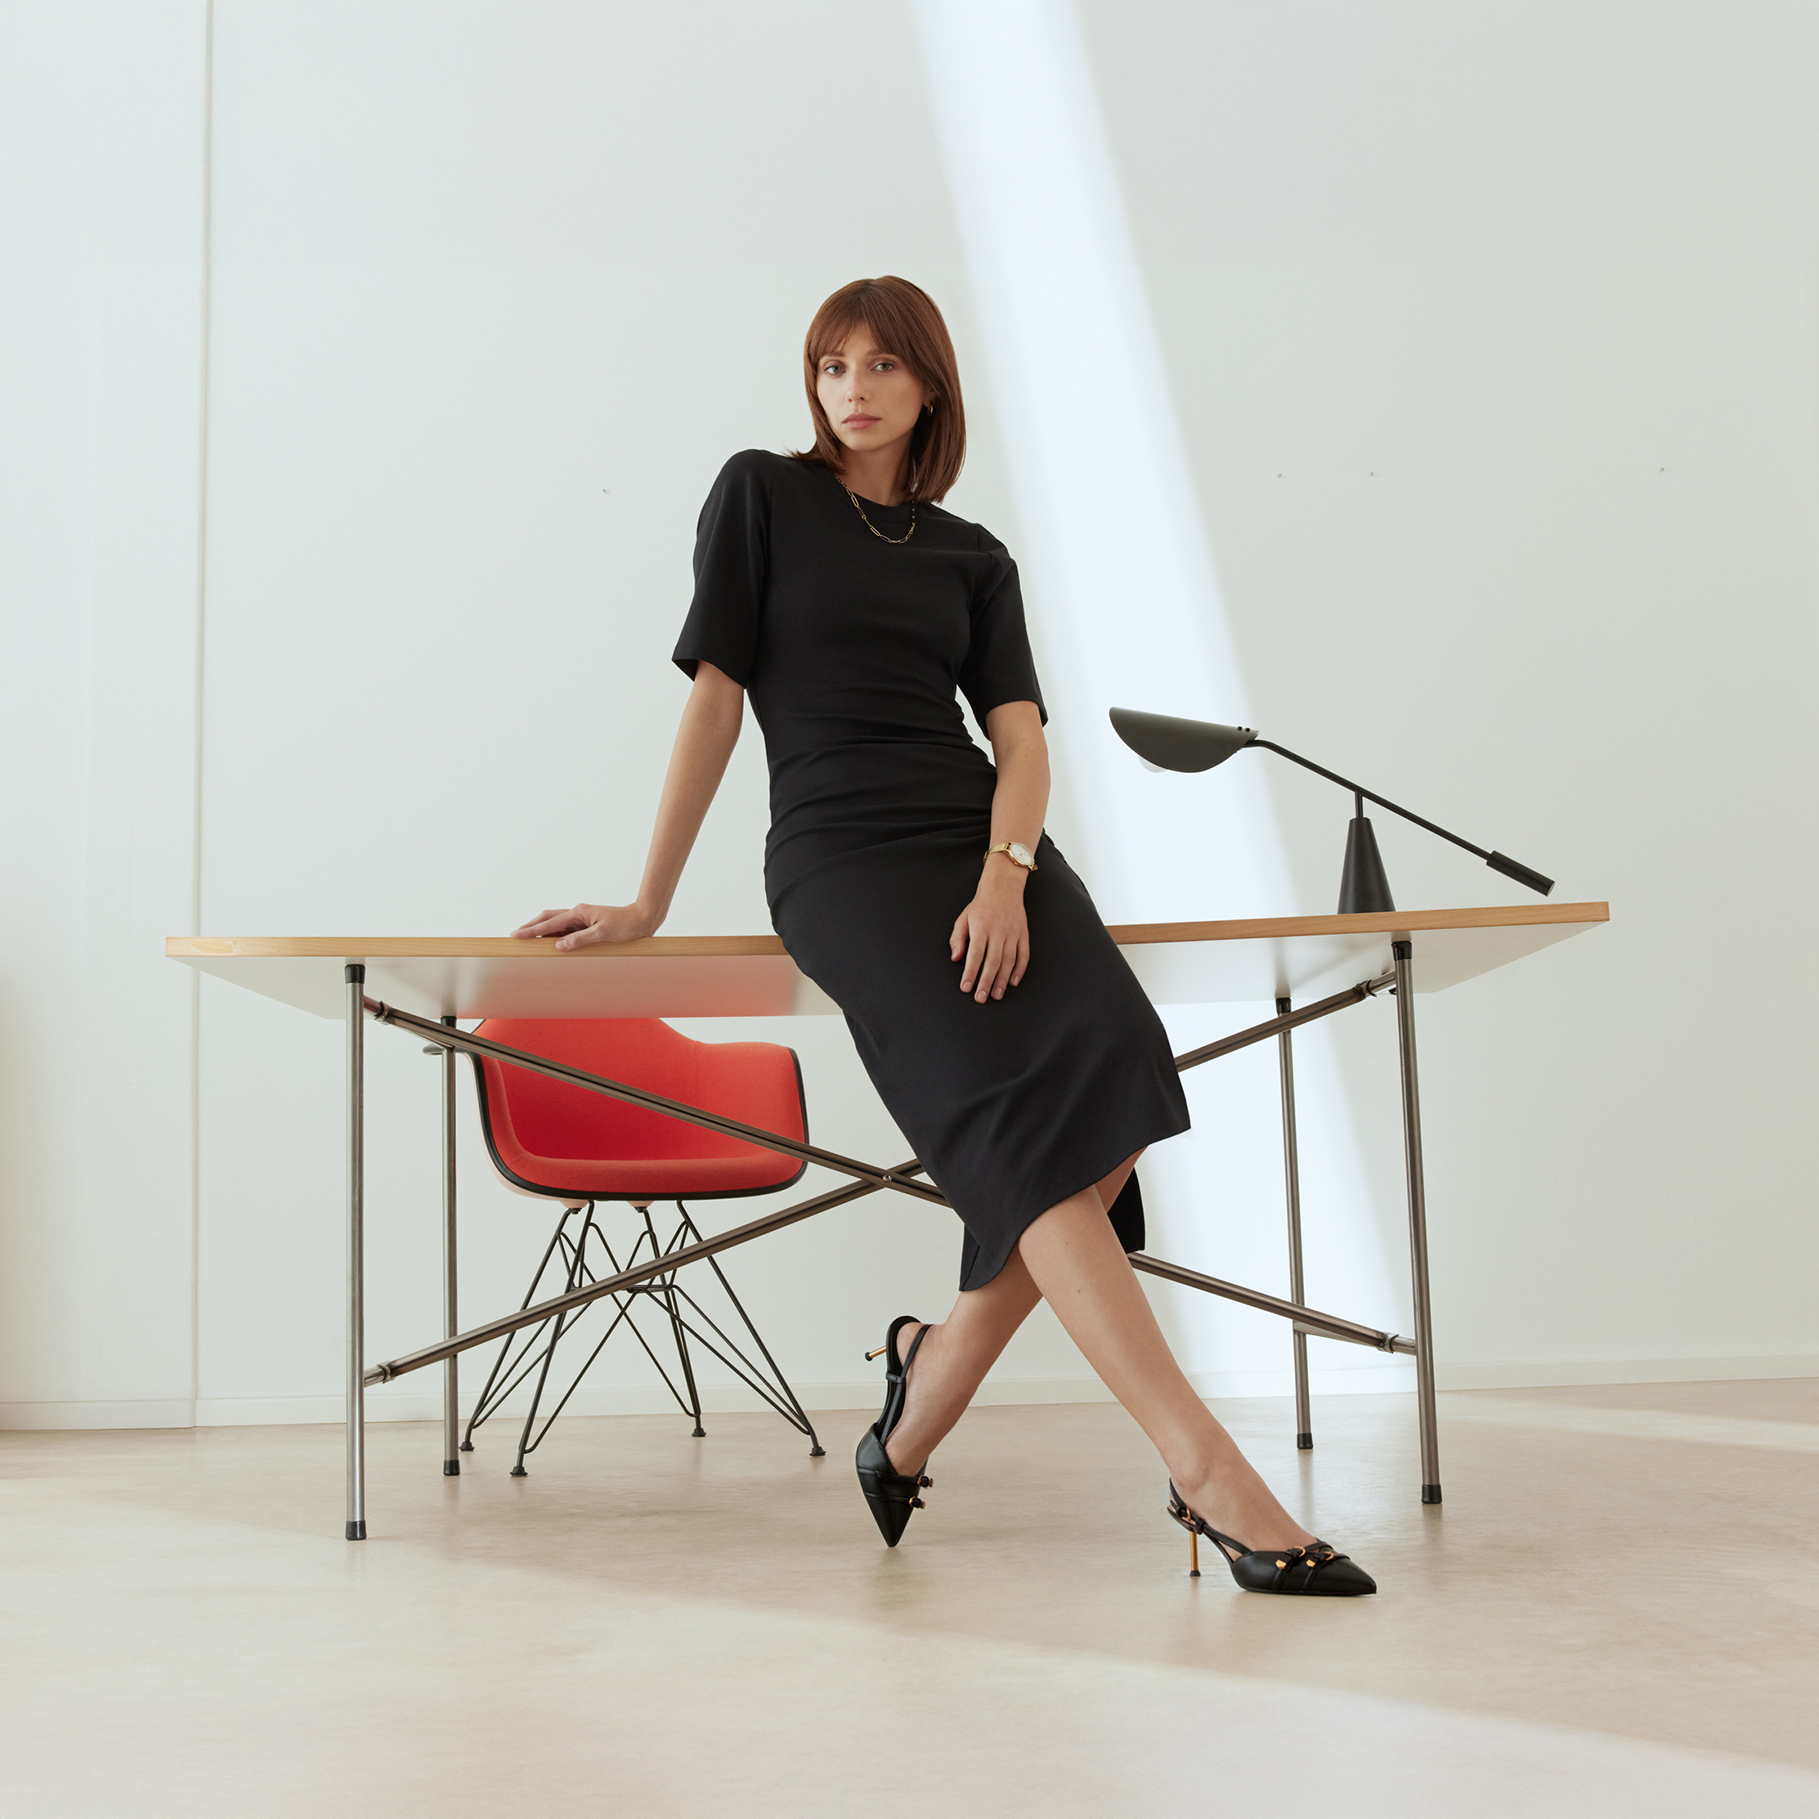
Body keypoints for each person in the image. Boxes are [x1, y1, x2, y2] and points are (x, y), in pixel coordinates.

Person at [514, 276, 1374, 1596]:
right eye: (828, 364)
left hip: (981, 843)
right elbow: (714, 708)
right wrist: (648, 903)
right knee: (1024, 1144)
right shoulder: (762, 495)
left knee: (1121, 1087)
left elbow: (1022, 741)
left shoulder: (976, 557)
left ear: (929, 386)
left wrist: (1006, 876)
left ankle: (925, 1388)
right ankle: (1208, 1472)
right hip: (842, 857)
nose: (849, 386)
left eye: (878, 364)